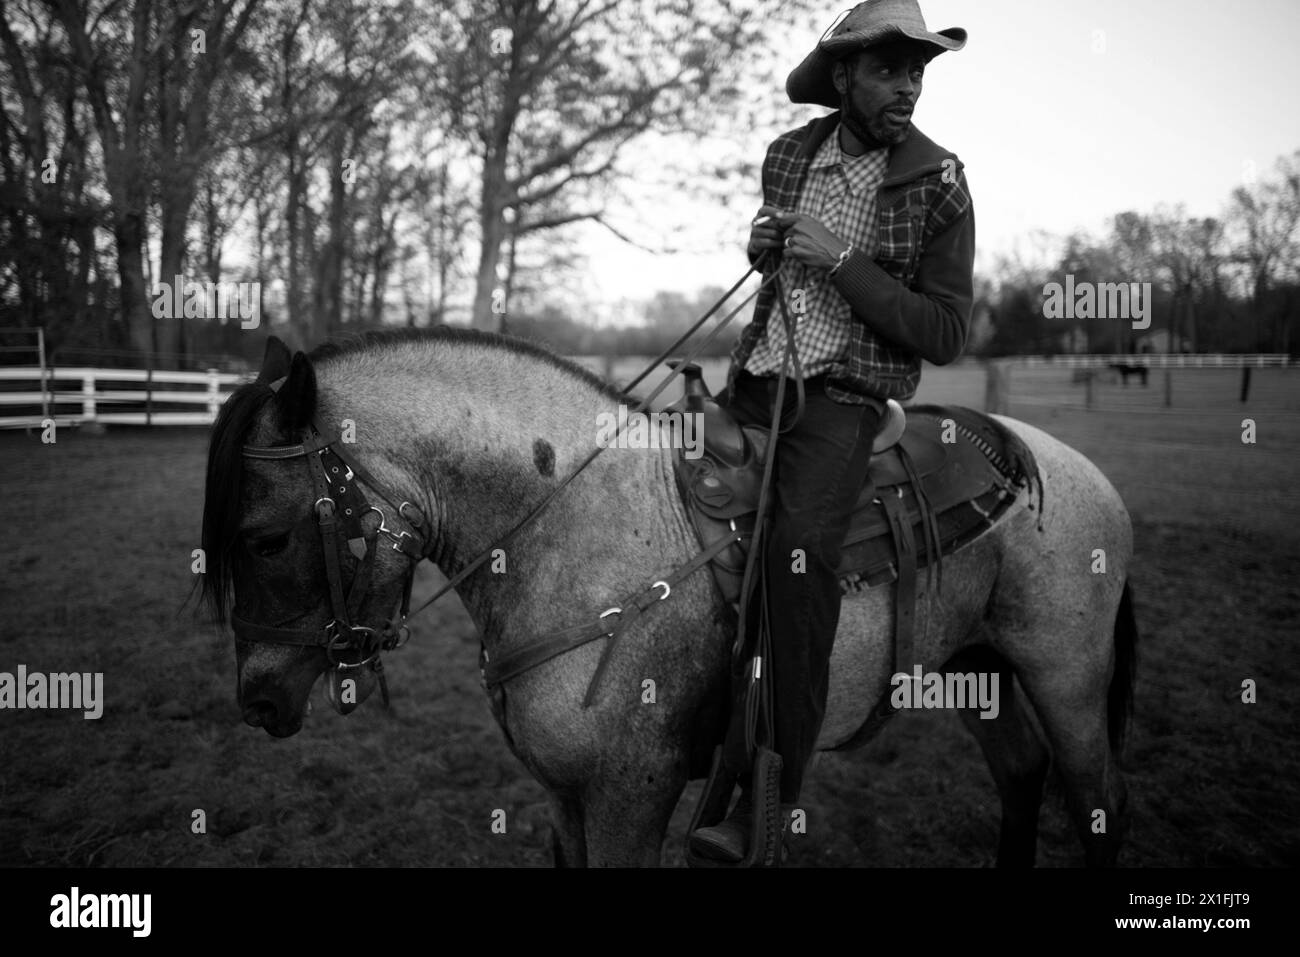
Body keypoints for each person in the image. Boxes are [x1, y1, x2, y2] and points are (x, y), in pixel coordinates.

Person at [689, 0, 976, 863]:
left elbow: (947, 332)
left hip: (845, 404)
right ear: (843, 76)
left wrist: (842, 264)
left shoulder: (941, 180)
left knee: (794, 558)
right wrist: (764, 249)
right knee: (655, 500)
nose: (908, 87)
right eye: (890, 70)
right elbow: (782, 273)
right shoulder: (789, 157)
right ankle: (670, 724)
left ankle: (769, 798)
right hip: (753, 381)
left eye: (917, 71)